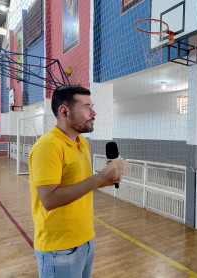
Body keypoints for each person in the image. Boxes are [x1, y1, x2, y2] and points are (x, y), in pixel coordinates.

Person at [29, 85, 129, 278]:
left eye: (92, 106)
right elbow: (49, 200)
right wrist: (98, 178)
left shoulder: (82, 142)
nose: (94, 113)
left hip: (86, 240)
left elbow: (80, 183)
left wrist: (104, 180)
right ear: (64, 111)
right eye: (86, 107)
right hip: (59, 249)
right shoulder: (48, 146)